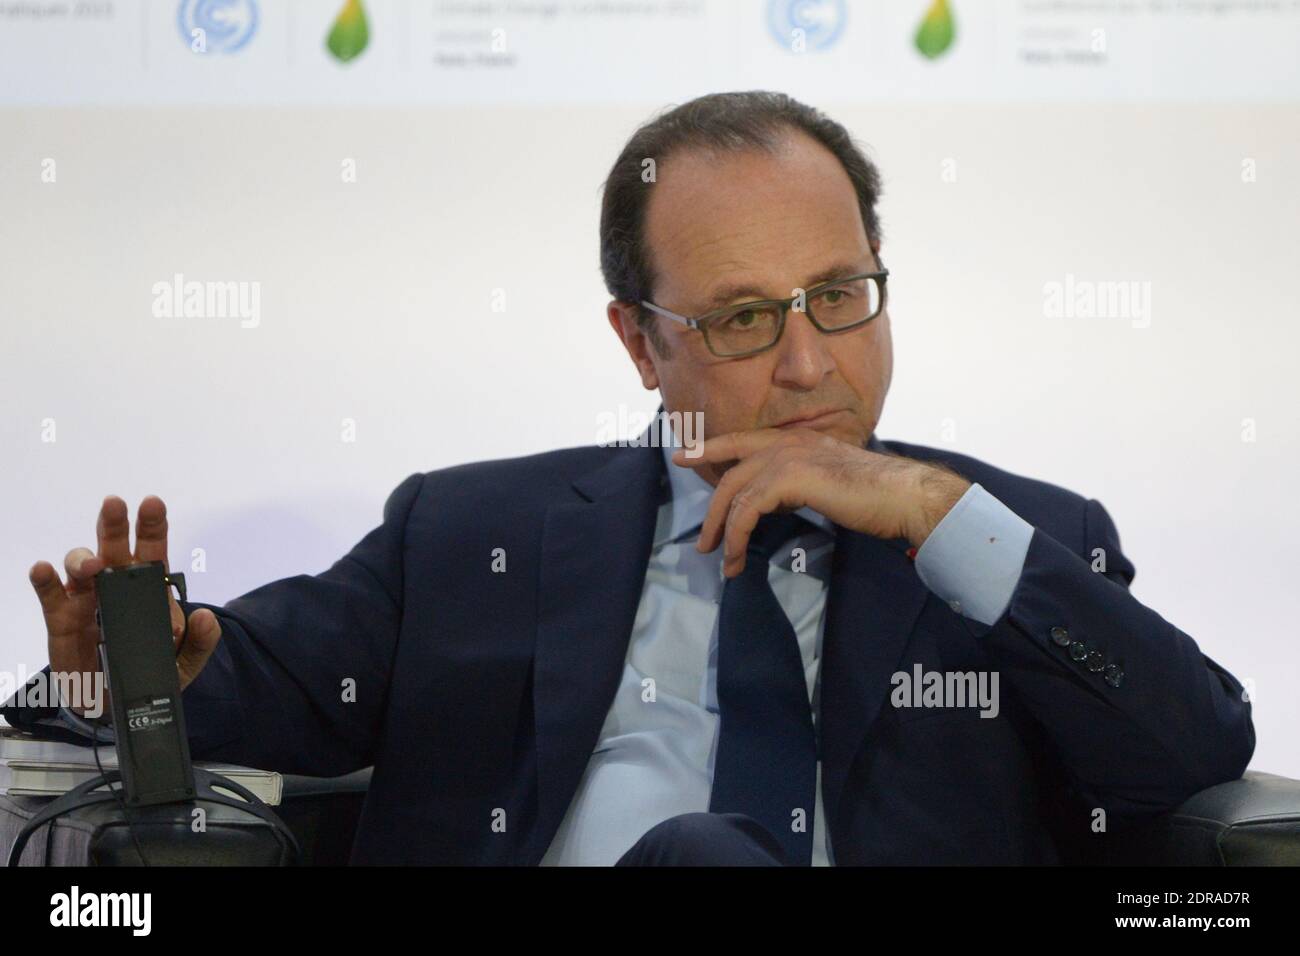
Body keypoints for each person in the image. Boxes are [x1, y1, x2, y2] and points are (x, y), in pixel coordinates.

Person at [8, 91, 1254, 865]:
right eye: (743, 319)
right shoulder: (471, 531)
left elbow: (1185, 749)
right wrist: (123, 670)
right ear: (637, 340)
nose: (812, 360)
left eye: (838, 294)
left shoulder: (1010, 538)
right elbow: (247, 685)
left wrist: (933, 512)